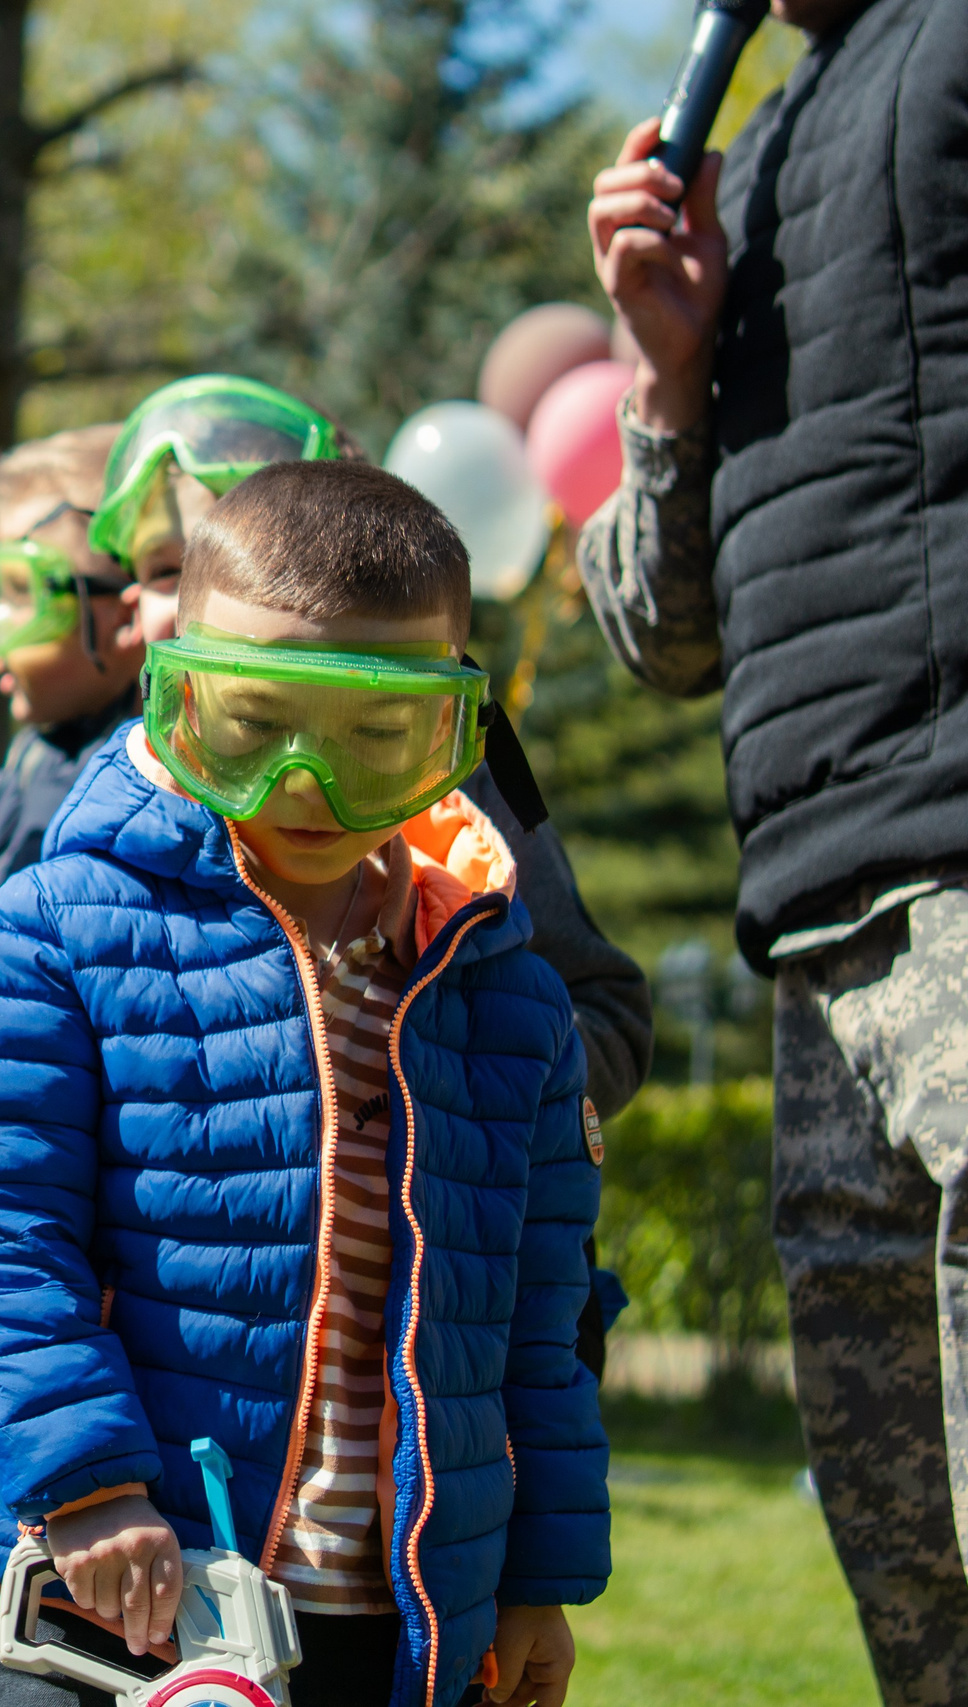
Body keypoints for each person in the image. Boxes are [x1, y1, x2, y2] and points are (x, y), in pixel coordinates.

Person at [0, 379, 649, 1707]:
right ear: (172, 690)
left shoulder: (507, 995)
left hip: (401, 1620)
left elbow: (540, 1322)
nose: (303, 787)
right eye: (254, 723)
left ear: (456, 733)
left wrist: (535, 1574)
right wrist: (86, 1481)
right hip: (108, 1590)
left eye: (372, 737)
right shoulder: (60, 929)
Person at [579, 1, 968, 1696]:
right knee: (919, 1593)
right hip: (820, 924)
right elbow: (662, 638)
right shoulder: (775, 136)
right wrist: (670, 368)